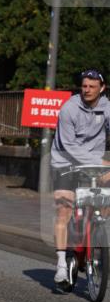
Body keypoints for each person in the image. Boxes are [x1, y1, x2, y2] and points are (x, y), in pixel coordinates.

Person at [50, 68, 109, 287]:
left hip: (94, 164)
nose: (87, 90)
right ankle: (61, 265)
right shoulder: (69, 109)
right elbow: (70, 146)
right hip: (66, 162)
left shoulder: (106, 107)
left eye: (92, 87)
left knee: (105, 203)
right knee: (64, 209)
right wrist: (100, 163)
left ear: (102, 89)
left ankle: (97, 234)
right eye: (84, 86)